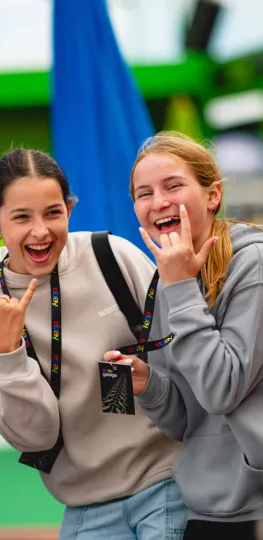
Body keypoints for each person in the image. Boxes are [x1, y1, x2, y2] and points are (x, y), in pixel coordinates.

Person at [0, 148, 188, 539]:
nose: (40, 231)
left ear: (70, 209)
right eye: (21, 217)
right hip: (84, 507)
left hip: (169, 483)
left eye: (52, 213)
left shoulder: (112, 256)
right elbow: (34, 438)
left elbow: (179, 361)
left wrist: (150, 378)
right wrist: (9, 353)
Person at [103, 131, 263, 539]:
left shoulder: (254, 264)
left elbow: (220, 390)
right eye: (144, 193)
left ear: (213, 195)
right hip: (207, 507)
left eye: (173, 185)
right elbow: (185, 421)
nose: (158, 202)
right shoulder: (167, 280)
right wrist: (148, 384)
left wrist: (180, 288)